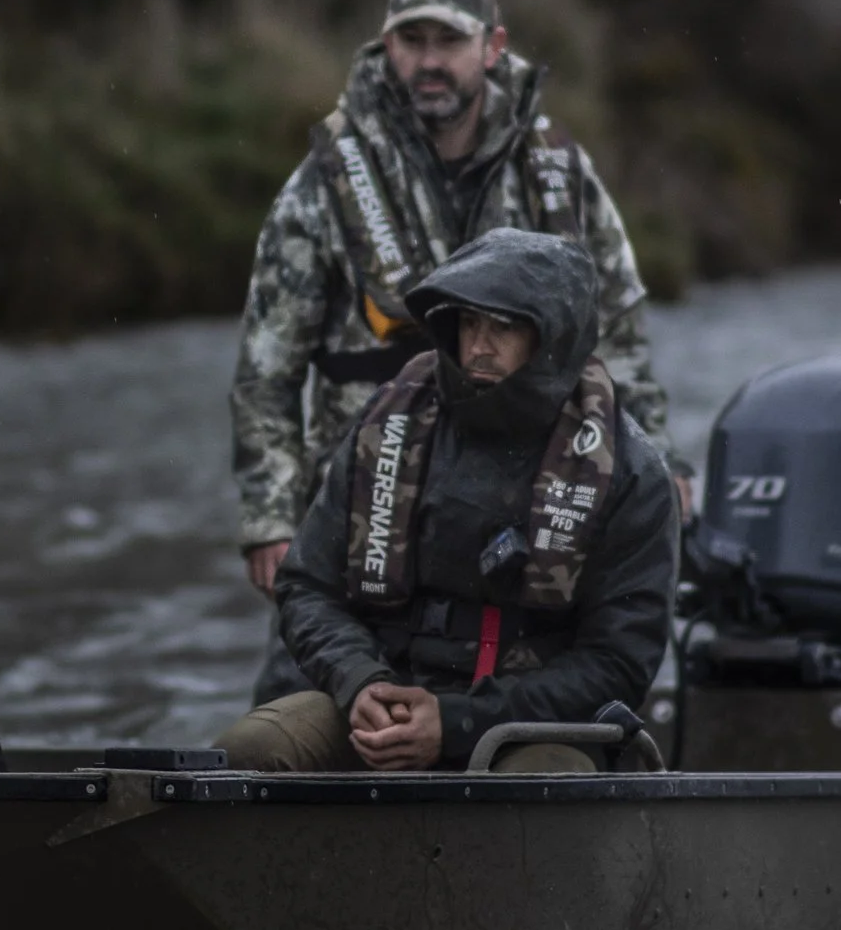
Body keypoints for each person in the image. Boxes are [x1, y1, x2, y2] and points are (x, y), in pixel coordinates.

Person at [229, 0, 682, 701]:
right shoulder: (327, 181)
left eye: (449, 40)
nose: (430, 61)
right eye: (412, 41)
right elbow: (266, 368)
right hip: (359, 510)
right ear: (385, 48)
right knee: (296, 702)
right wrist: (269, 516)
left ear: (493, 48)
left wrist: (662, 471)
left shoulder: (558, 171)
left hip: (527, 500)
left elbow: (622, 337)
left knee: (542, 690)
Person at [216, 227, 678, 774]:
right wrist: (361, 681)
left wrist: (456, 721)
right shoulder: (385, 428)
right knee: (250, 754)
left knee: (548, 785)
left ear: (554, 338)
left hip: (528, 724)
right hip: (379, 699)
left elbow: (618, 663)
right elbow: (307, 585)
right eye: (469, 323)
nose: (480, 346)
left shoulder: (628, 470)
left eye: (504, 327)